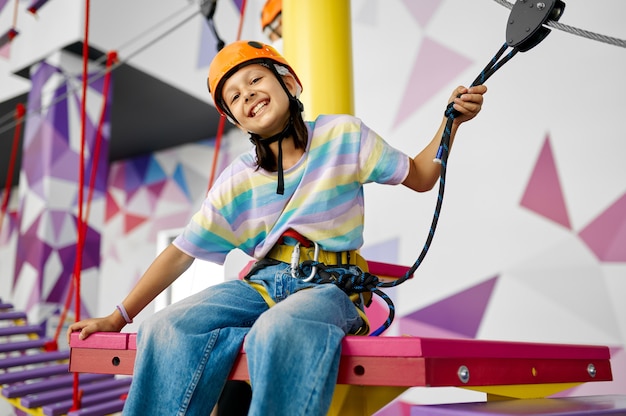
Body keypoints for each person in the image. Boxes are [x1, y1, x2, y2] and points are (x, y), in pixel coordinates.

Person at [67, 40, 487, 415]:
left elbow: (420, 176)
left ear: (287, 82)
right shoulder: (237, 180)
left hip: (330, 286)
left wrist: (451, 123)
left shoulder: (343, 135)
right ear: (236, 120)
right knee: (166, 327)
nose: (246, 93)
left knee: (279, 329)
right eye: (234, 96)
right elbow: (181, 252)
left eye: (255, 80)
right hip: (261, 285)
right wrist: (118, 316)